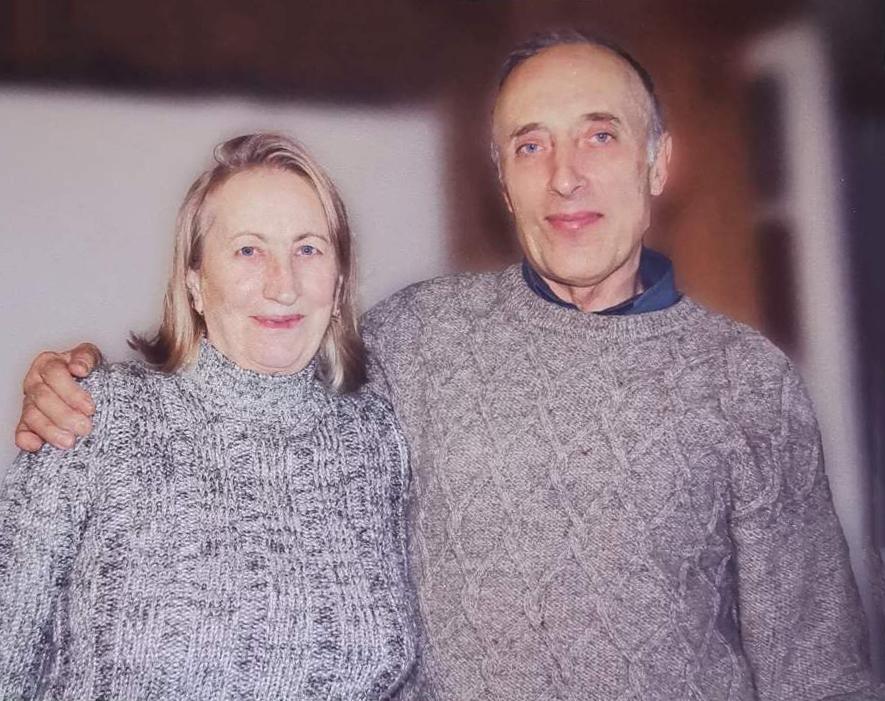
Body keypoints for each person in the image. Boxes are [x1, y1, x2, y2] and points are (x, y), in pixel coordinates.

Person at [13, 32, 878, 700]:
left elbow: (819, 670)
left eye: (599, 136)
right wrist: (74, 384)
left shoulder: (747, 383)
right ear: (503, 181)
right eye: (530, 146)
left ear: (657, 162)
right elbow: (254, 378)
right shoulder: (418, 336)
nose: (565, 177)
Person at [1, 133, 417, 699]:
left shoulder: (380, 436)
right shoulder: (92, 414)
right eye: (248, 250)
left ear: (339, 281)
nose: (283, 285)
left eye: (308, 249)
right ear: (194, 282)